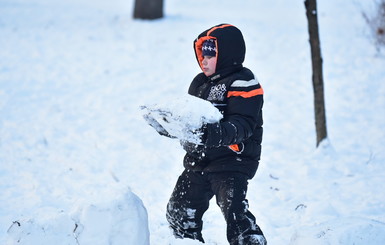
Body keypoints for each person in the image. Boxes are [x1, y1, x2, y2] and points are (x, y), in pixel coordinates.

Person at [166, 24, 267, 245]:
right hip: (199, 161)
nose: (203, 60)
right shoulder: (199, 83)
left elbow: (242, 125)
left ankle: (249, 241)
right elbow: (190, 116)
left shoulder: (243, 81)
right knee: (180, 210)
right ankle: (187, 241)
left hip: (232, 161)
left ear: (227, 55)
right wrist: (173, 126)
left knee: (235, 213)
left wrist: (209, 134)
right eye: (202, 54)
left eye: (210, 55)